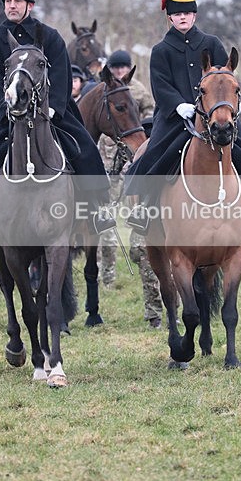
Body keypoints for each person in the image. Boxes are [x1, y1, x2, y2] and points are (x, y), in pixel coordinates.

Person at [0, 0, 115, 241]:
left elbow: (62, 76)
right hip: (7, 114)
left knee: (83, 147)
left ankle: (96, 208)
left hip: (50, 113)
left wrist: (52, 109)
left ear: (29, 5)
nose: (11, 6)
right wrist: (5, 111)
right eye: (8, 1)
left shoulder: (50, 36)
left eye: (17, 1)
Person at [125, 0, 241, 233]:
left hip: (215, 114)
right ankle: (144, 209)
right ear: (170, 17)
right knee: (157, 152)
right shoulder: (161, 50)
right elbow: (160, 85)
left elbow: (225, 77)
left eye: (187, 13)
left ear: (194, 15)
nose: (182, 17)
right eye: (177, 14)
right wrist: (179, 105)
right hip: (175, 116)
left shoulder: (211, 43)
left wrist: (219, 106)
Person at [96, 49, 163, 327]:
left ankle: (155, 308)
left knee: (141, 245)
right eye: (116, 67)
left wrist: (141, 131)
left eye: (124, 67)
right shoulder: (103, 91)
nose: (120, 71)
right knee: (105, 228)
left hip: (134, 167)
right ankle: (106, 274)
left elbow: (150, 113)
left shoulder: (138, 90)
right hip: (108, 169)